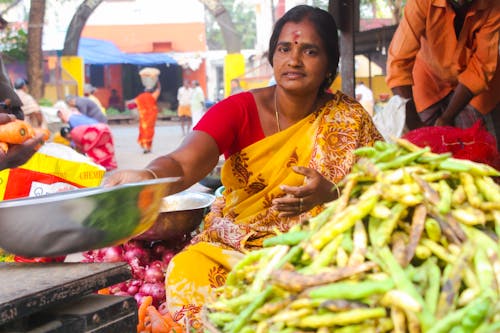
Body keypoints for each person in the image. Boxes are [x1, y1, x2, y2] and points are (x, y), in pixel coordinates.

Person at [105, 5, 382, 329]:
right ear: (272, 56)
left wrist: (331, 192)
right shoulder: (238, 110)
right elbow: (184, 161)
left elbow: (384, 180)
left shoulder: (349, 117)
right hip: (237, 244)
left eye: (310, 51)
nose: (294, 60)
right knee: (189, 268)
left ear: (330, 66)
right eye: (284, 49)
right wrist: (148, 176)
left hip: (320, 249)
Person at [386, 0, 500, 147]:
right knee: (421, 146)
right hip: (428, 79)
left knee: (483, 147)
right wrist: (415, 125)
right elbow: (398, 62)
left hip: (475, 88)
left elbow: (481, 66)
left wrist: (447, 117)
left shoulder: (494, 5)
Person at [131, 82, 161, 154]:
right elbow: (159, 90)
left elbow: (132, 104)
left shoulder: (140, 97)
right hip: (151, 118)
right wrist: (158, 82)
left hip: (143, 118)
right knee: (150, 132)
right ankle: (148, 147)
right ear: (151, 91)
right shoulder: (153, 96)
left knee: (143, 131)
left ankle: (144, 146)